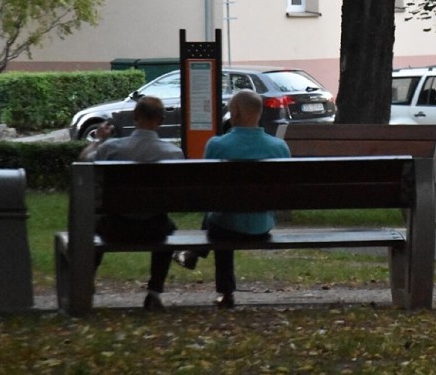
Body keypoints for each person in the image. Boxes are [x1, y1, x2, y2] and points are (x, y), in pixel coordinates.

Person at [174, 89, 290, 309]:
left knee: (218, 218)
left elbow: (207, 190)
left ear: (235, 112)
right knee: (220, 214)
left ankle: (225, 291)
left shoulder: (217, 145)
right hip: (261, 225)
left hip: (226, 226)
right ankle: (193, 254)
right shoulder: (279, 147)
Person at [78, 95, 185, 311]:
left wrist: (99, 140)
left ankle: (86, 281)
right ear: (161, 121)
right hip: (155, 230)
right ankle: (154, 291)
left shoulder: (112, 149)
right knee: (169, 226)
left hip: (116, 228)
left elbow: (82, 162)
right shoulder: (174, 153)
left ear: (135, 116)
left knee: (96, 223)